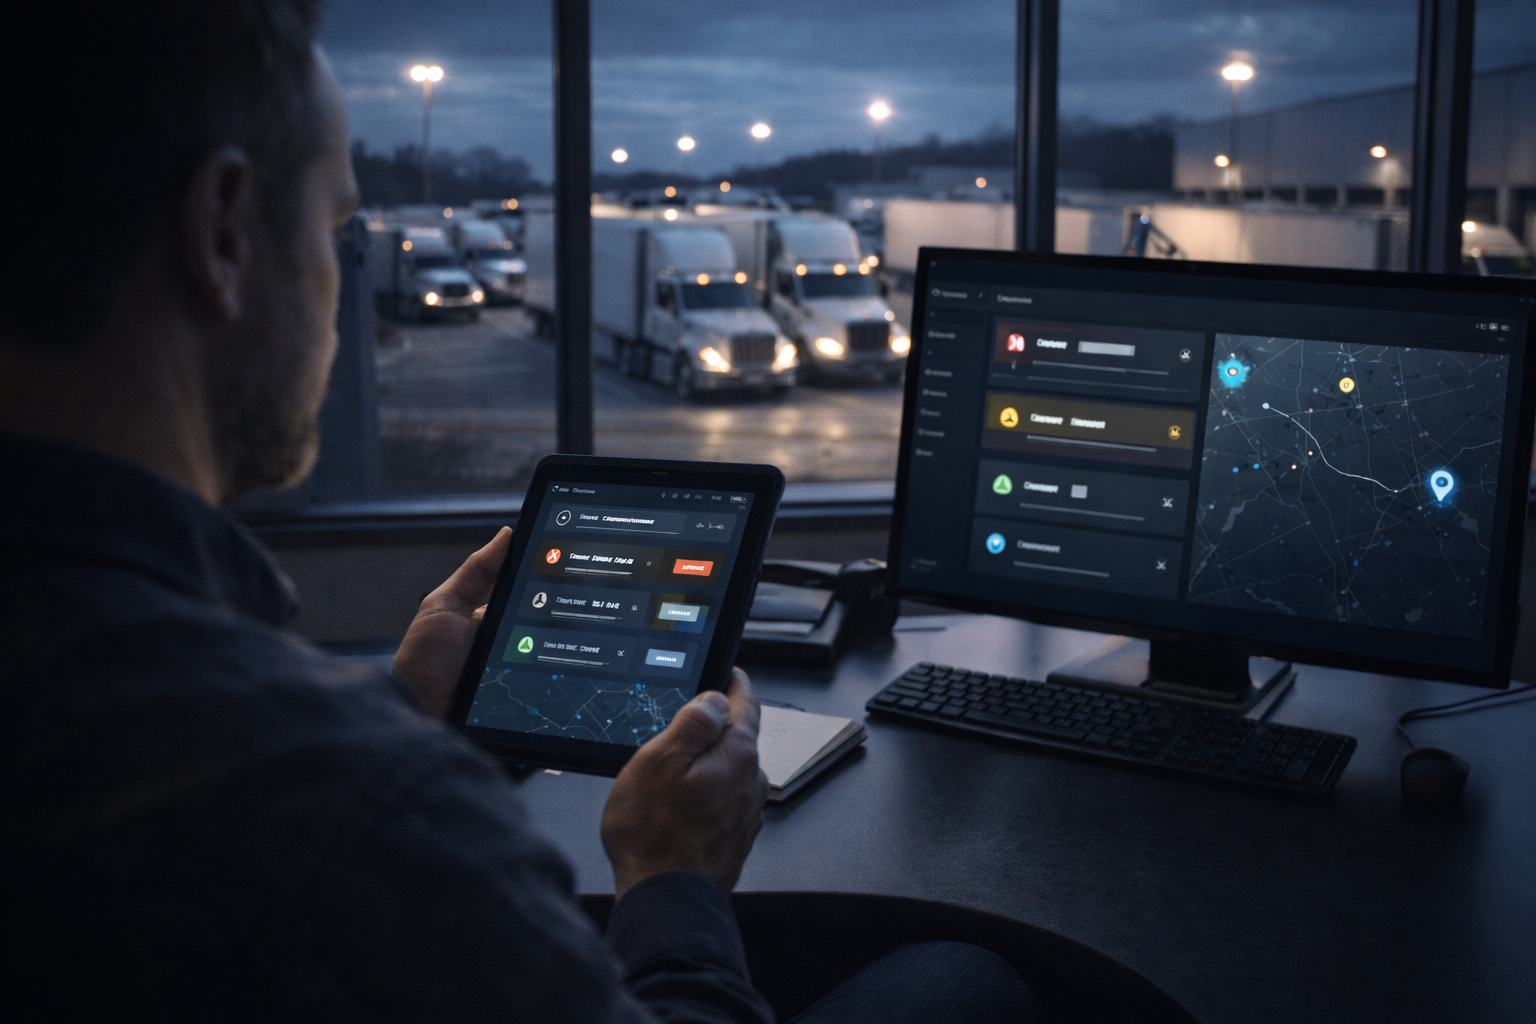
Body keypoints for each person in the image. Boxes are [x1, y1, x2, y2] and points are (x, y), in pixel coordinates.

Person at [1, 3, 1033, 1020]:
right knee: (963, 980)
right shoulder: (342, 807)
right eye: (335, 226)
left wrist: (416, 719)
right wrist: (674, 879)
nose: (337, 284)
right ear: (222, 231)